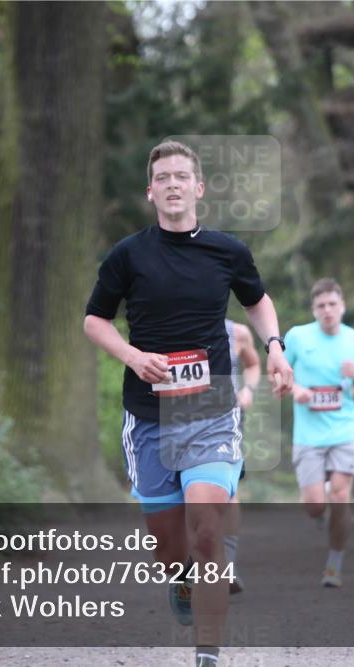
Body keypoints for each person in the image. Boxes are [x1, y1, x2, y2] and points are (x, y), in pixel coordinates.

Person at [83, 141, 293, 667]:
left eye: (182, 175)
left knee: (207, 528)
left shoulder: (227, 250)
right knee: (170, 550)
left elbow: (257, 300)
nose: (173, 183)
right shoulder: (128, 255)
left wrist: (274, 348)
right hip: (149, 416)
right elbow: (94, 320)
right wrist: (132, 356)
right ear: (150, 191)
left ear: (198, 188)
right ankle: (179, 581)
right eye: (163, 177)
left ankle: (208, 656)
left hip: (211, 409)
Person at [283, 278, 354, 588]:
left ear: (343, 307)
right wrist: (295, 389)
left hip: (344, 429)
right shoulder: (298, 337)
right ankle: (318, 501)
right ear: (314, 310)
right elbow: (278, 376)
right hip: (309, 436)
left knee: (340, 496)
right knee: (314, 506)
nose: (327, 310)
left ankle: (334, 564)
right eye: (321, 306)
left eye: (332, 304)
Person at [223, 319, 261, 594]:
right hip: (177, 418)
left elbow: (253, 365)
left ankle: (227, 564)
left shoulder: (237, 333)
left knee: (228, 489)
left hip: (226, 420)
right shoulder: (168, 324)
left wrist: (247, 389)